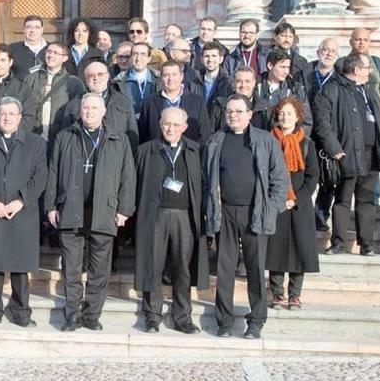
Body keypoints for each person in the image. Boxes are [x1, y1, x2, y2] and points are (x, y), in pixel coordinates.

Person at [44, 93, 135, 332]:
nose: (89, 112)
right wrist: (51, 206)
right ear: (80, 111)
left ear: (104, 111)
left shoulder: (118, 139)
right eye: (86, 108)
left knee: (99, 269)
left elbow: (128, 176)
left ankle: (92, 314)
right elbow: (52, 171)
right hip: (71, 208)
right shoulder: (65, 136)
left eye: (95, 108)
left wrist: (124, 208)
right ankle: (72, 314)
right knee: (71, 268)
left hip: (103, 209)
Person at [203, 93, 289, 339]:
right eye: (229, 111)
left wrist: (271, 209)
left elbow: (280, 180)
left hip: (256, 211)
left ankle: (256, 321)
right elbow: (206, 179)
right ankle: (225, 322)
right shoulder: (216, 141)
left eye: (239, 111)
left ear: (250, 114)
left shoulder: (265, 141)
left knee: (254, 267)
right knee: (225, 269)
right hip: (225, 212)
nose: (233, 115)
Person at [0, 97, 47, 327]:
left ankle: (21, 309)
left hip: (21, 210)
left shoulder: (36, 144)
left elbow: (40, 176)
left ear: (20, 118)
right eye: (2, 113)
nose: (6, 118)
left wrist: (21, 200)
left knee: (20, 263)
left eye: (12, 114)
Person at [134, 107, 209, 333]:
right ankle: (152, 315)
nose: (171, 129)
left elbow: (204, 185)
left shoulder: (196, 151)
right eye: (167, 124)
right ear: (160, 124)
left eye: (176, 125)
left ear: (185, 128)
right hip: (155, 215)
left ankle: (182, 316)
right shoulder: (146, 150)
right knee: (153, 265)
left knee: (182, 267)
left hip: (185, 216)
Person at [313, 53, 380, 256]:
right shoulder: (332, 89)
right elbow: (322, 123)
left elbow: (378, 117)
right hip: (346, 153)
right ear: (356, 70)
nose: (369, 72)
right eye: (366, 68)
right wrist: (334, 149)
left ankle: (367, 243)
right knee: (343, 199)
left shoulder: (368, 90)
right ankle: (338, 242)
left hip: (371, 154)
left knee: (367, 200)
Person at [266, 97, 320, 310]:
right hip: (275, 203)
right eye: (281, 113)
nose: (284, 117)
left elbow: (312, 175)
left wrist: (296, 198)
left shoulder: (307, 144)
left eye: (289, 113)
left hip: (299, 204)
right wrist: (279, 199)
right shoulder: (268, 141)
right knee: (275, 250)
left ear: (297, 117)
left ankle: (295, 294)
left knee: (300, 249)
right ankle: (277, 293)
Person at [24, 41, 86, 149]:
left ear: (64, 58)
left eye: (56, 53)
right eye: (49, 51)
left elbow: (77, 114)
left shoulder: (74, 83)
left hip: (59, 140)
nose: (51, 55)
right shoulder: (31, 78)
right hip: (33, 137)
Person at [65, 61, 139, 150]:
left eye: (100, 74)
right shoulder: (74, 105)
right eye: (91, 75)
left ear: (107, 76)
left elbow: (133, 136)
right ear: (85, 79)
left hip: (115, 156)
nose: (96, 78)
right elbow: (66, 138)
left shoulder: (123, 102)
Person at [308, 38, 341, 231]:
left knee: (328, 178)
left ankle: (320, 216)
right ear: (318, 51)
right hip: (307, 132)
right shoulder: (306, 74)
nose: (328, 54)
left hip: (330, 132)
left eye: (333, 51)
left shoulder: (340, 78)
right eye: (325, 50)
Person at [138, 60, 210, 144]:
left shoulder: (197, 101)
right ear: (161, 78)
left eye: (174, 74)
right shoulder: (149, 102)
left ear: (181, 76)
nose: (170, 79)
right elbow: (143, 133)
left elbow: (204, 134)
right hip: (157, 153)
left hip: (187, 153)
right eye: (166, 75)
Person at [255, 50, 313, 134]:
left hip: (287, 142)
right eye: (282, 67)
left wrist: (295, 140)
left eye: (288, 67)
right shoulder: (254, 85)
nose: (286, 71)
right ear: (270, 65)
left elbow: (306, 120)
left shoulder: (296, 89)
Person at [210, 67, 272, 132]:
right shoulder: (220, 105)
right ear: (233, 83)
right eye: (239, 81)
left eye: (247, 81)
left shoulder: (265, 108)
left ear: (254, 83)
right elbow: (211, 133)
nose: (243, 85)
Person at [348, 28, 380, 113]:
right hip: (349, 112)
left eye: (365, 40)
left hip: (375, 112)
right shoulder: (341, 64)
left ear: (369, 42)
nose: (362, 43)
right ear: (350, 42)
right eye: (358, 39)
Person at [114, 42, 161, 118]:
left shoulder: (159, 80)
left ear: (149, 58)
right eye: (135, 54)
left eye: (143, 54)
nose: (138, 58)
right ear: (131, 57)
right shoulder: (118, 81)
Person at [270, 22, 312, 90]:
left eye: (290, 37)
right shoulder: (263, 56)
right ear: (275, 36)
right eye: (283, 36)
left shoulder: (301, 61)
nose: (287, 40)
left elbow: (305, 86)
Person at [193, 41, 232, 113]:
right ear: (201, 59)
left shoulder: (228, 83)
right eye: (206, 56)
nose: (210, 60)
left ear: (221, 59)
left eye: (214, 56)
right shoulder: (194, 82)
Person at [9, 15, 48, 80]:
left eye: (37, 27)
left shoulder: (53, 49)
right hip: (20, 88)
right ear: (23, 29)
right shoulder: (12, 49)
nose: (32, 30)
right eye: (28, 27)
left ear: (42, 29)